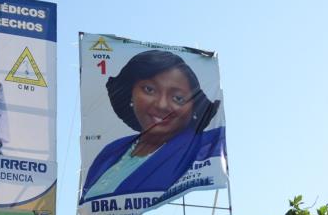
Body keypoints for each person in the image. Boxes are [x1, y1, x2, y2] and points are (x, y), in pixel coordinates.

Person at [79, 50, 225, 202]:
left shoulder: (197, 153)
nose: (161, 105)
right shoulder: (111, 152)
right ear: (131, 93)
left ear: (194, 108)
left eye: (178, 98)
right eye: (149, 89)